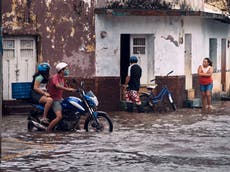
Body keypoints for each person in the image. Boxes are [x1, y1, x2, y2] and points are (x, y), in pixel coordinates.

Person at [47, 62, 76, 132]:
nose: (67, 70)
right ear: (61, 70)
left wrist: (75, 89)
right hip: (54, 100)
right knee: (59, 117)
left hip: (60, 99)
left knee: (70, 110)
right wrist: (68, 89)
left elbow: (66, 87)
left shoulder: (62, 78)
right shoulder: (55, 77)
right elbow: (57, 85)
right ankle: (48, 130)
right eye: (66, 69)